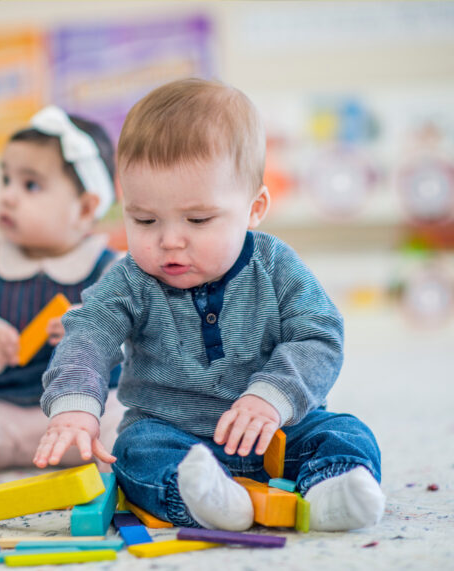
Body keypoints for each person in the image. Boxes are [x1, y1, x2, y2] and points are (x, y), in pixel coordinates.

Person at [33, 78, 385, 532]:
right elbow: (88, 333)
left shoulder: (275, 265)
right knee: (134, 452)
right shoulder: (131, 278)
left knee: (345, 434)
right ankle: (199, 498)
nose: (169, 240)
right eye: (144, 219)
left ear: (254, 207)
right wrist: (75, 403)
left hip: (277, 430)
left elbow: (318, 334)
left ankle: (334, 491)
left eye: (198, 220)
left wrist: (271, 397)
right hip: (172, 435)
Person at [0, 106, 125, 489]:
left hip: (88, 410)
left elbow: (136, 331)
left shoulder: (110, 269)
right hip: (4, 406)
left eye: (30, 185)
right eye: (6, 180)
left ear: (85, 208)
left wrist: (89, 331)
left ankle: (136, 475)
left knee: (127, 422)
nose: (8, 197)